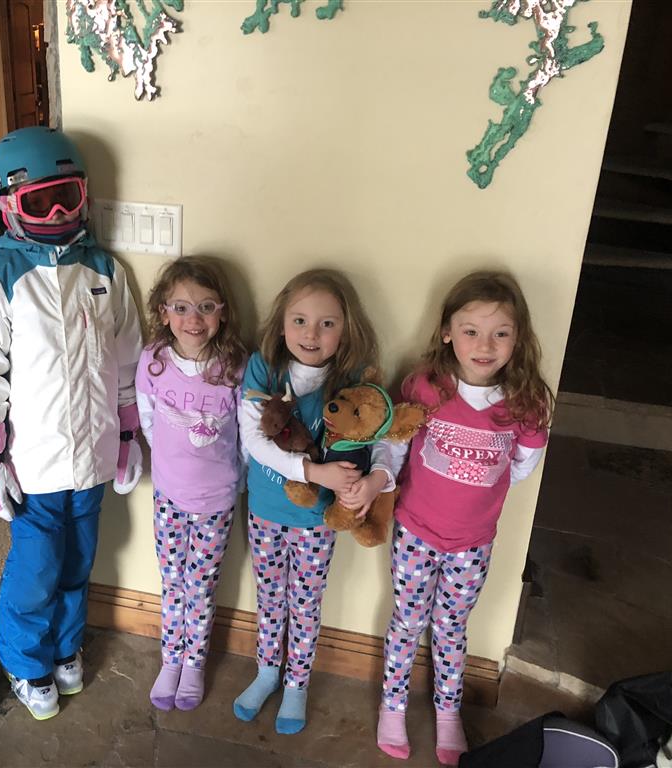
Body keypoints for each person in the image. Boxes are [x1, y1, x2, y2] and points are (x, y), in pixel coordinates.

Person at [0, 127, 144, 721]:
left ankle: (65, 648)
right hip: (34, 463)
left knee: (78, 562)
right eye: (40, 203)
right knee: (36, 569)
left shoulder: (105, 271)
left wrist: (128, 431)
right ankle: (25, 662)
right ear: (8, 206)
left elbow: (127, 360)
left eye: (67, 197)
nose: (58, 213)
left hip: (94, 454)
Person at [372, 271, 553, 765]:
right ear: (448, 332)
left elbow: (522, 465)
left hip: (473, 542)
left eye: (500, 333)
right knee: (407, 621)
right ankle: (393, 705)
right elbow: (394, 445)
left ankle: (448, 711)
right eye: (471, 330)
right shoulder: (425, 387)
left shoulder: (525, 402)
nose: (485, 345)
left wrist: (477, 487)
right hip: (415, 532)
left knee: (451, 628)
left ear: (518, 338)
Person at [234, 268, 392, 735]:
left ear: (346, 330)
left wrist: (373, 482)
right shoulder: (264, 368)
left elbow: (382, 437)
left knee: (305, 605)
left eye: (327, 324)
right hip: (265, 511)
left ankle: (296, 684)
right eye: (300, 320)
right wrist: (313, 471)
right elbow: (253, 439)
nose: (311, 334)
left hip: (317, 520)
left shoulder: (354, 380)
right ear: (282, 324)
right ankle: (267, 672)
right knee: (269, 599)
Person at [135, 256, 248, 711]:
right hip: (168, 494)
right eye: (180, 307)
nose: (193, 319)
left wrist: (236, 482)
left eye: (205, 306)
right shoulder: (153, 361)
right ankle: (171, 660)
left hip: (215, 499)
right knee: (172, 582)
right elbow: (147, 418)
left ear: (222, 312)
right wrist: (167, 464)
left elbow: (246, 434)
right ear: (164, 312)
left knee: (199, 588)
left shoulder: (236, 367)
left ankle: (194, 663)